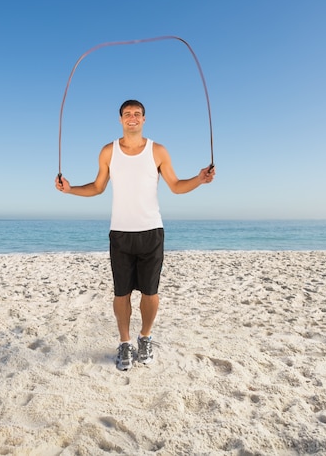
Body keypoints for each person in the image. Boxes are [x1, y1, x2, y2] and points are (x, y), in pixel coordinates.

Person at [55, 99, 215, 371]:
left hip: (151, 231)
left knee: (150, 292)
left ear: (144, 119)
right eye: (127, 114)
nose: (132, 118)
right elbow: (97, 187)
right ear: (120, 119)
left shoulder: (158, 150)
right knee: (122, 293)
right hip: (120, 233)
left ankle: (145, 337)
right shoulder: (108, 151)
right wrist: (69, 189)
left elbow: (175, 186)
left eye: (137, 114)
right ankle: (125, 343)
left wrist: (199, 180)